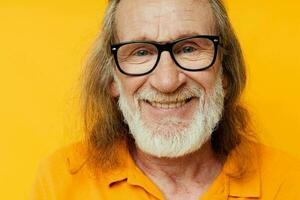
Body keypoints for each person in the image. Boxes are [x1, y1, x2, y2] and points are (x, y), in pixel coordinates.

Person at [31, 0, 300, 199]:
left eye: (189, 48)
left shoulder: (288, 181)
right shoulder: (61, 181)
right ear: (112, 79)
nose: (167, 82)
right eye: (140, 53)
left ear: (225, 74)